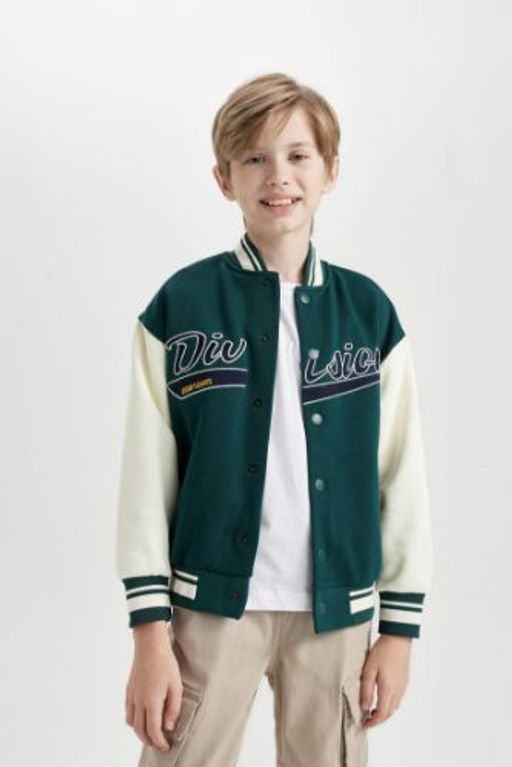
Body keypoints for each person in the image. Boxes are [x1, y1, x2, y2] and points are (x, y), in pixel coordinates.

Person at [115, 71, 434, 767]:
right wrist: (149, 632)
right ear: (223, 178)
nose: (278, 176)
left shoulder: (369, 315)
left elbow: (400, 473)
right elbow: (146, 477)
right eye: (254, 158)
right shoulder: (180, 307)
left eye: (297, 155)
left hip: (336, 613)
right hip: (208, 607)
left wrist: (398, 629)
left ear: (331, 170)